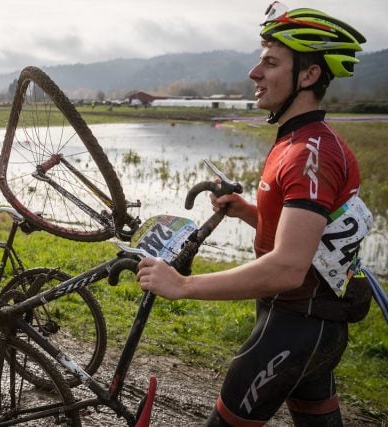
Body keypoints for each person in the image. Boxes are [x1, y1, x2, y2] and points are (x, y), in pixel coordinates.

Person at [136, 3, 373, 426]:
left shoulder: (308, 154)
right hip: (312, 325)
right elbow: (309, 240)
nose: (254, 72)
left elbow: (287, 268)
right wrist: (248, 212)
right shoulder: (302, 140)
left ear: (308, 75)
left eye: (270, 62)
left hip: (292, 327)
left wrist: (183, 284)